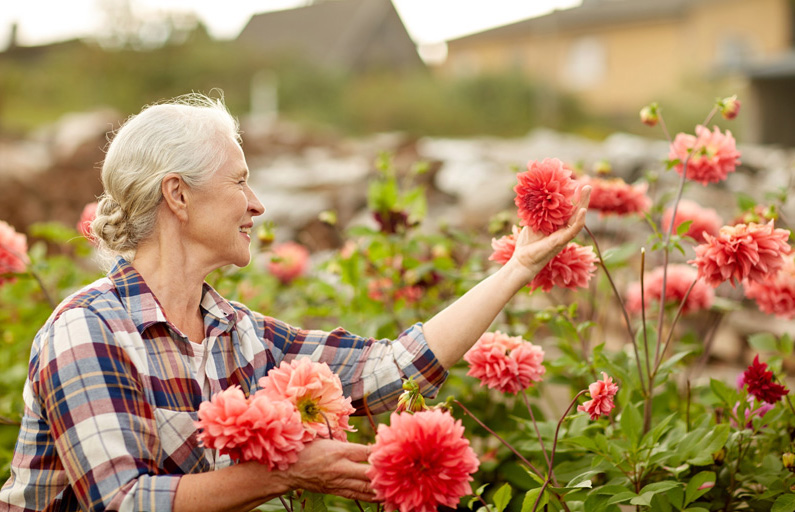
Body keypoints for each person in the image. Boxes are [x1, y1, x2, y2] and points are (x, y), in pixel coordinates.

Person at [0, 93, 590, 512]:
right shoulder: (87, 330)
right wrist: (283, 471)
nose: (257, 204)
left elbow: (387, 370)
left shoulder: (234, 332)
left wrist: (519, 266)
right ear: (177, 194)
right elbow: (124, 503)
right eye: (239, 181)